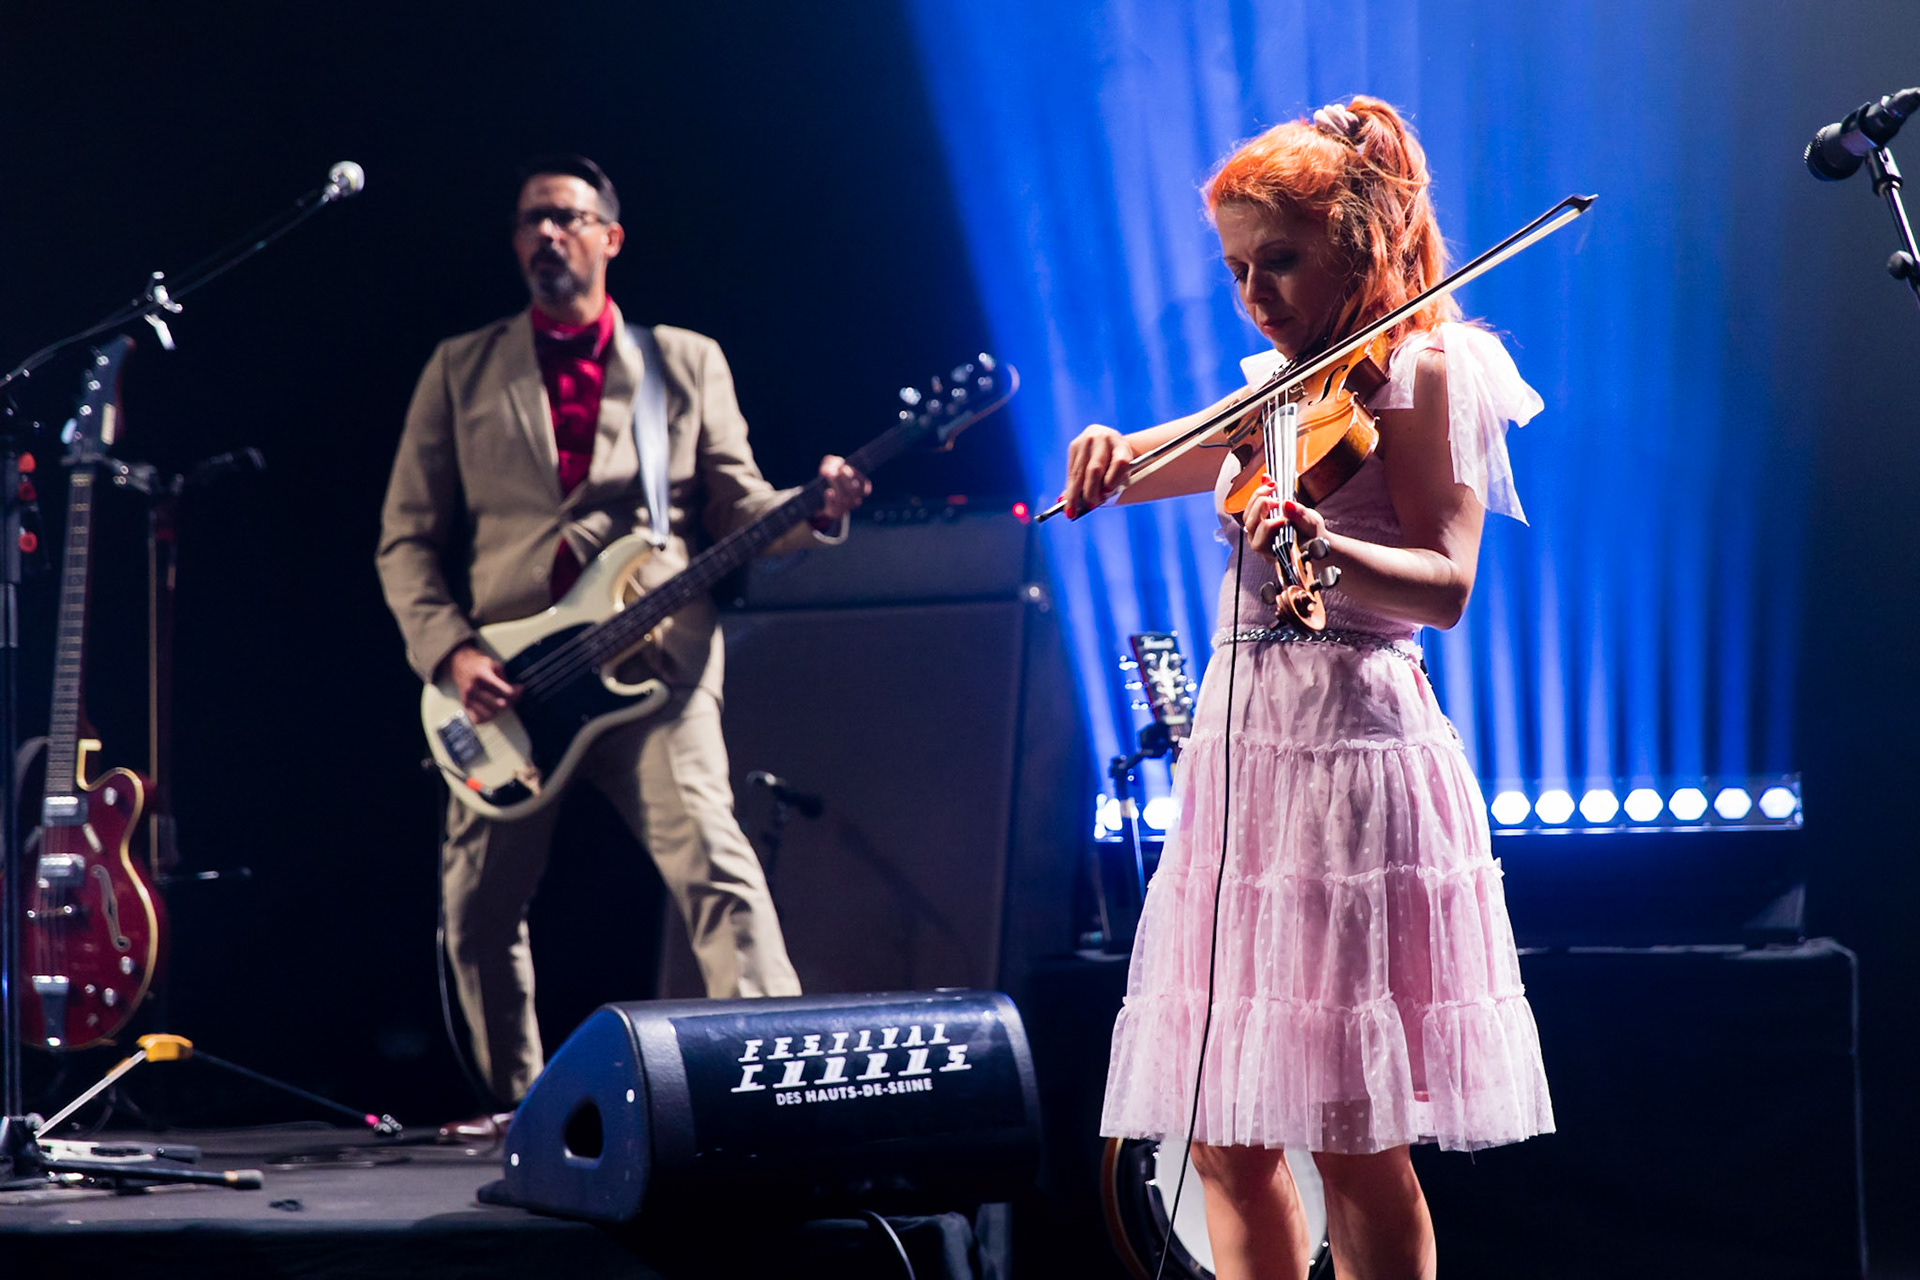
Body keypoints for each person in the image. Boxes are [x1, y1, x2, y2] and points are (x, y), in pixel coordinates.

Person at [1064, 100, 1554, 1279]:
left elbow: (1445, 583)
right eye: (1236, 266)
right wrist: (1103, 449)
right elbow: (1139, 461)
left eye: (1277, 259)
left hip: (1351, 758)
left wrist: (1323, 546)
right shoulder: (1277, 391)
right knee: (1223, 1131)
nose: (1254, 291)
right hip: (1242, 767)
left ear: (1362, 238)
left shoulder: (1433, 367)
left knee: (1351, 1136)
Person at [376, 155, 868, 1133]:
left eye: (566, 217)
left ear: (610, 235)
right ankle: (518, 1106)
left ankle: (780, 1087)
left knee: (718, 872)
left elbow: (742, 504)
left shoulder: (683, 362)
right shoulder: (460, 366)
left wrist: (818, 510)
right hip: (506, 686)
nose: (546, 235)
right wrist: (454, 654)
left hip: (657, 670)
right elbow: (406, 538)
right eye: (530, 221)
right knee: (474, 914)